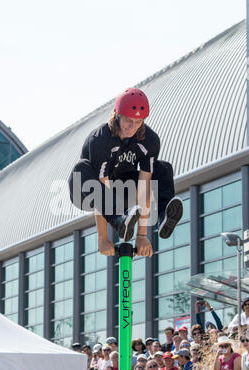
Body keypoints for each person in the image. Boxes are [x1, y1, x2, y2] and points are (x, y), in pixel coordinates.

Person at [68, 87, 183, 258]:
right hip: (87, 191)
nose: (132, 127)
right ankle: (119, 220)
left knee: (162, 168)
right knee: (80, 168)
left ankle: (164, 215)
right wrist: (103, 238)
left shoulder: (149, 140)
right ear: (117, 115)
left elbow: (144, 185)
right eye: (128, 120)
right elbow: (101, 185)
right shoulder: (100, 140)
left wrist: (142, 236)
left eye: (138, 122)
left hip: (122, 189)